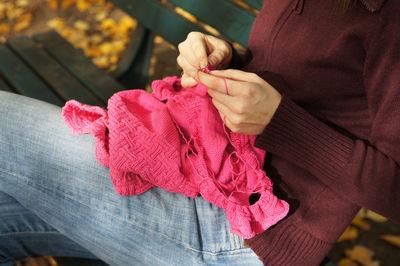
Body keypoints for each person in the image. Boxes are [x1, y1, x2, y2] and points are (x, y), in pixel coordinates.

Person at [0, 0, 399, 265]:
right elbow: (314, 81)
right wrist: (225, 57)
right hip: (198, 171)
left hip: (241, 234)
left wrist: (281, 122)